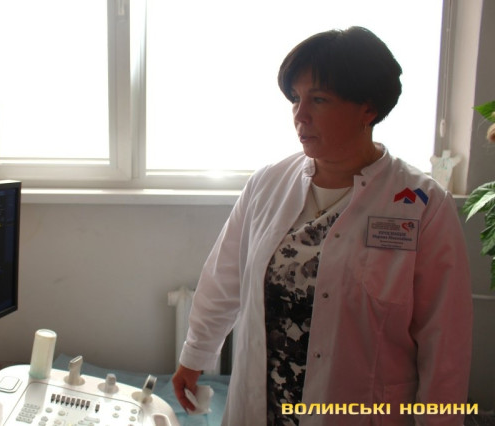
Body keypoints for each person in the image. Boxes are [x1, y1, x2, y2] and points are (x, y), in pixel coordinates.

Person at [172, 26, 473, 426]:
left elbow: (444, 339)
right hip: (262, 408)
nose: (300, 115)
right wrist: (195, 355)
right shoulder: (267, 184)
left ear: (368, 108)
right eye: (296, 99)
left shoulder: (422, 203)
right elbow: (223, 279)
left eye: (318, 99)